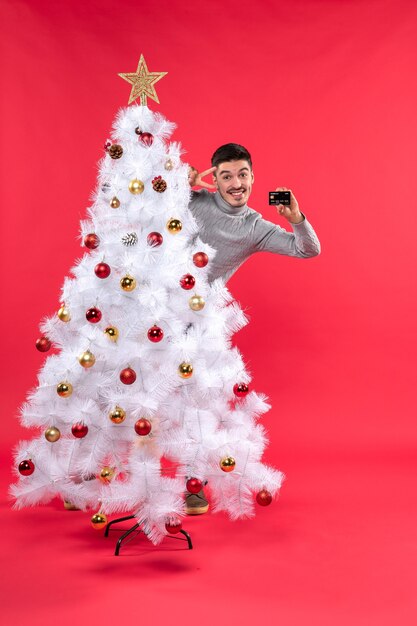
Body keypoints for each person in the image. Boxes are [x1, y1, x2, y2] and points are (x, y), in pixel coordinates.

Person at [184, 143, 321, 514]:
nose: (235, 183)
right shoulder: (194, 200)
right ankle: (86, 475)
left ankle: (192, 483)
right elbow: (145, 208)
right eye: (226, 175)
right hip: (152, 307)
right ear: (215, 177)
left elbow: (308, 249)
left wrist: (296, 217)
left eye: (242, 174)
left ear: (252, 178)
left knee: (198, 404)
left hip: (199, 322)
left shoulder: (255, 227)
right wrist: (179, 184)